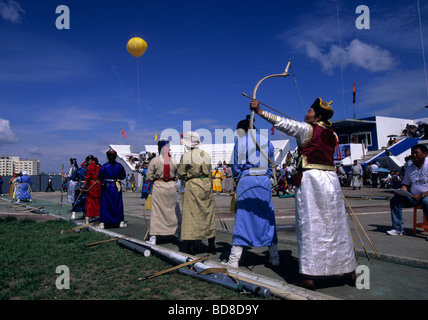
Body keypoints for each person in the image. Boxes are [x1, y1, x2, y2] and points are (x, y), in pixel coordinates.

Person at [250, 97, 357, 289]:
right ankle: (348, 270)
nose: (306, 113)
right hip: (332, 182)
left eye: (310, 111)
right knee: (336, 226)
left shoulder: (307, 129)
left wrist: (260, 112)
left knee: (311, 225)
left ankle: (309, 275)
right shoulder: (333, 134)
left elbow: (284, 124)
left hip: (313, 181)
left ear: (318, 117)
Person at [223, 116, 279, 268]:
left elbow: (236, 166)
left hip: (247, 180)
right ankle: (274, 257)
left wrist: (240, 176)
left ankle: (234, 260)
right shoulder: (267, 141)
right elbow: (271, 164)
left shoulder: (240, 142)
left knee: (243, 218)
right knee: (267, 216)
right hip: (263, 181)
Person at [177, 131, 216, 255]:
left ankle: (191, 248)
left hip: (192, 185)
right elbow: (210, 171)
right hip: (205, 184)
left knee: (191, 215)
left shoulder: (187, 156)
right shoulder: (206, 155)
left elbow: (181, 172)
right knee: (207, 214)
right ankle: (211, 245)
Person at [387, 144, 428, 237]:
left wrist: (422, 196)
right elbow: (405, 184)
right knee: (395, 201)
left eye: (416, 153)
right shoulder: (410, 168)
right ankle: (398, 229)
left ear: (425, 154)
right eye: (412, 153)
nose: (414, 155)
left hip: (425, 196)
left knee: (426, 202)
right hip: (414, 197)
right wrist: (402, 191)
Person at [145, 140, 181, 244]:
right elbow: (178, 174)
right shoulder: (173, 160)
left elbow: (149, 176)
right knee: (174, 211)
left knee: (157, 212)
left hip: (159, 186)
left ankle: (153, 237)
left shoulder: (154, 160)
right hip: (171, 187)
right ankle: (179, 234)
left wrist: (154, 179)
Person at [98, 149, 127, 229]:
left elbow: (100, 176)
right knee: (117, 203)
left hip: (106, 186)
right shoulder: (119, 166)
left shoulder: (104, 166)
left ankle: (103, 223)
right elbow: (123, 176)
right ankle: (120, 221)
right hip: (116, 186)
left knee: (105, 204)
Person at [81, 155, 101, 224]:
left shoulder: (89, 167)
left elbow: (87, 178)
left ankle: (87, 217)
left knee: (89, 202)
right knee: (98, 201)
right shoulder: (99, 167)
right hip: (98, 184)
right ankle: (98, 215)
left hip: (92, 184)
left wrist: (83, 186)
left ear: (90, 160)